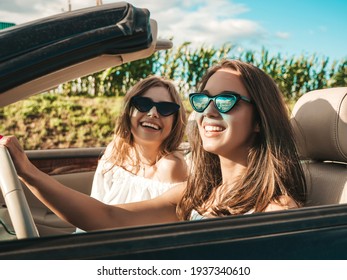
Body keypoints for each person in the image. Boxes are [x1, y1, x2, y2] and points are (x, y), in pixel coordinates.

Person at [0, 59, 306, 232]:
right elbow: (108, 218)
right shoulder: (199, 192)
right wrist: (28, 171)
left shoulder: (275, 212)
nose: (209, 111)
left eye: (226, 100)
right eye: (203, 100)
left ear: (259, 120)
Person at [89, 76, 187, 206]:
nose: (152, 113)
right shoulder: (114, 151)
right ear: (128, 111)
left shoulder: (171, 167)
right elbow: (96, 202)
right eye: (143, 104)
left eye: (165, 108)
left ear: (175, 121)